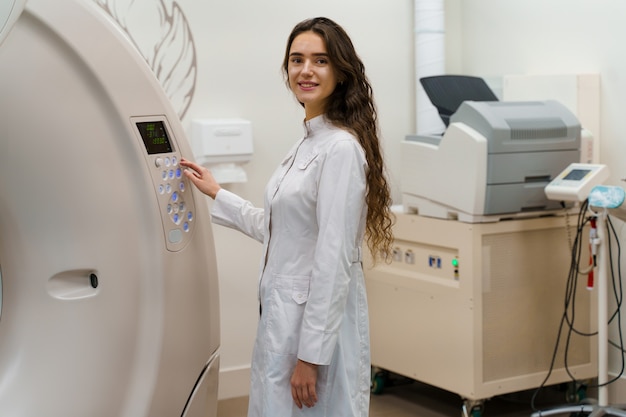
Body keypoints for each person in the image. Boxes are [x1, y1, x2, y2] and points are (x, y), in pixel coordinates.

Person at [180, 16, 394, 417]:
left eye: (320, 60)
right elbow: (283, 229)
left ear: (341, 73)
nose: (306, 70)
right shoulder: (308, 142)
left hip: (311, 335)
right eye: (297, 60)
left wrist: (311, 357)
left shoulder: (340, 150)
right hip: (283, 323)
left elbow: (333, 261)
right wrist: (217, 192)